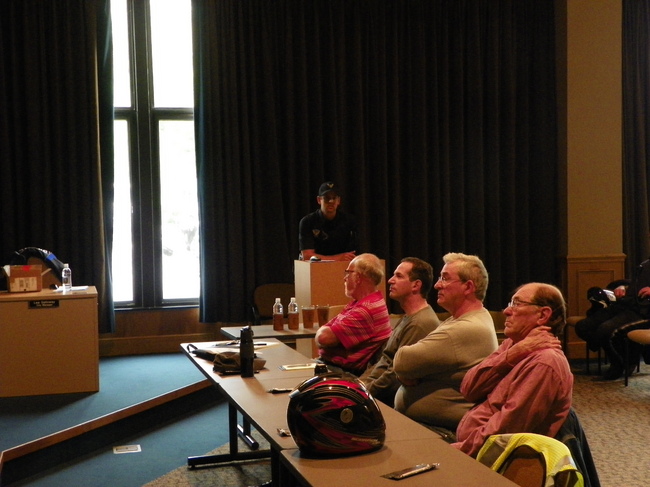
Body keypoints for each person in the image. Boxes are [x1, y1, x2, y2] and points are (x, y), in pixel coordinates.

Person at [452, 282, 573, 458]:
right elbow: (469, 389)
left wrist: (458, 451)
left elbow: (506, 433)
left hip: (493, 461)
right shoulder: (515, 344)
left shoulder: (545, 362)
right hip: (476, 450)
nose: (507, 311)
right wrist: (512, 354)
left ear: (542, 315)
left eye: (517, 304)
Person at [393, 252, 498, 439]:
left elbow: (402, 361)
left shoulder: (465, 328)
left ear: (468, 287)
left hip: (444, 433)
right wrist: (406, 373)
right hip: (426, 424)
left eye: (445, 278)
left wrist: (407, 373)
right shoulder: (462, 319)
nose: (437, 285)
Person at [359, 257, 440, 405]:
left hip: (389, 402)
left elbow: (394, 375)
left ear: (416, 285)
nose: (390, 280)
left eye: (399, 276)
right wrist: (359, 384)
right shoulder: (409, 317)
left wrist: (362, 394)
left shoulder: (421, 323)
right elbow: (385, 361)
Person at [315, 253, 392, 375]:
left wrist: (323, 331)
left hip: (341, 372)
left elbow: (323, 338)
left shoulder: (366, 309)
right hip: (331, 366)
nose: (345, 278)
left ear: (358, 277)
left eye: (348, 273)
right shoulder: (364, 302)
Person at [575, 257, 650, 380]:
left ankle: (620, 365)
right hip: (627, 304)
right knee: (583, 326)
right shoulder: (646, 264)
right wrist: (623, 287)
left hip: (644, 312)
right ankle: (631, 352)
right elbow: (636, 284)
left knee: (606, 330)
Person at [299, 181, 358, 261]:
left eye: (334, 198)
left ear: (338, 201)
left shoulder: (349, 221)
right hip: (316, 266)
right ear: (319, 200)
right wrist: (338, 258)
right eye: (327, 198)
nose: (331, 201)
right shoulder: (308, 222)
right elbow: (307, 256)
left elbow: (353, 254)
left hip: (343, 266)